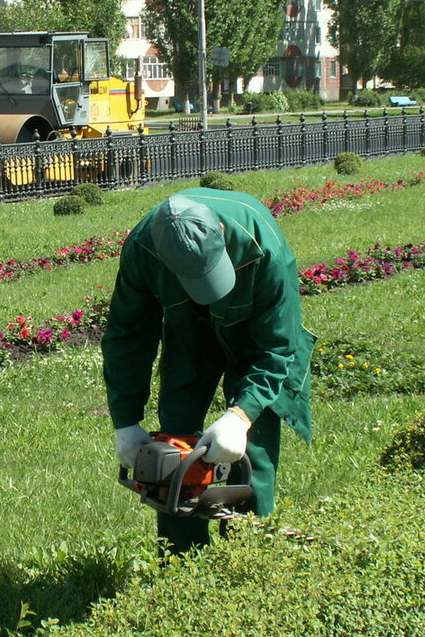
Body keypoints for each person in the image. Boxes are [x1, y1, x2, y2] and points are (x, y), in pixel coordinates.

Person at [102, 187, 314, 553]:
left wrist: (241, 415)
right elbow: (128, 335)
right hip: (187, 323)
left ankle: (246, 554)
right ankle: (182, 562)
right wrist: (126, 420)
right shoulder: (142, 248)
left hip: (252, 325)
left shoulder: (264, 249)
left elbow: (277, 347)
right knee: (173, 442)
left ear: (220, 231)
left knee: (253, 446)